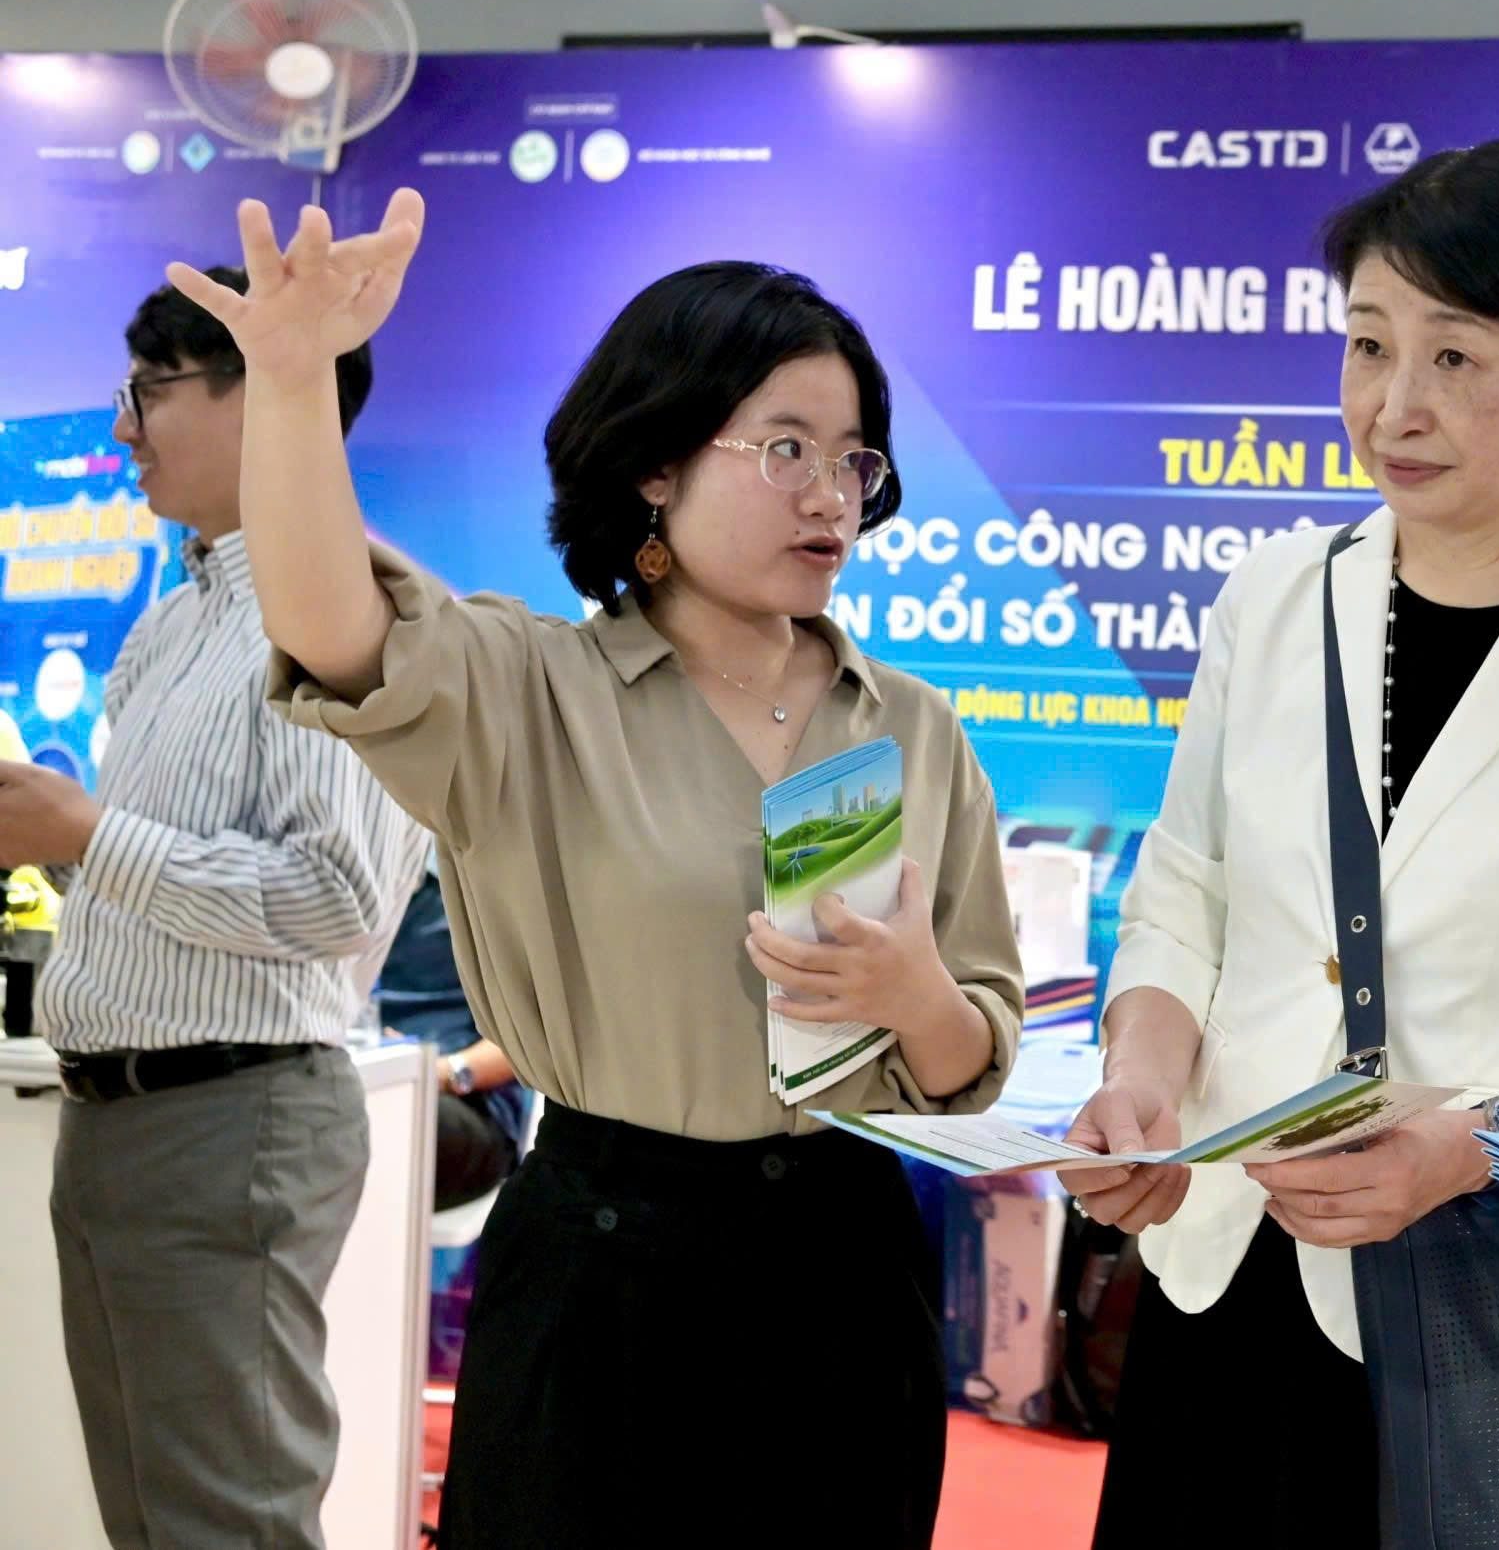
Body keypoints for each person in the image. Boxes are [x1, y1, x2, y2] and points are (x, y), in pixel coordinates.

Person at [168, 191, 1027, 1550]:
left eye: (853, 458)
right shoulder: (530, 688)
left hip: (848, 1271)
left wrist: (916, 996)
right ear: (655, 466)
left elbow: (973, 1049)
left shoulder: (912, 727)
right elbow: (329, 618)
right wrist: (290, 383)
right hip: (606, 1266)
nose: (829, 494)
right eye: (785, 448)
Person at [1060, 140, 1499, 1547]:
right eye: (1368, 345)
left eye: (1454, 356)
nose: (1394, 405)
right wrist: (1140, 1084)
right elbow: (1184, 895)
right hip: (1230, 1259)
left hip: (1480, 1292)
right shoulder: (1275, 595)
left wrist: (1470, 1145)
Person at [1, 268, 427, 1550]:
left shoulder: (337, 611)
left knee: (225, 1524)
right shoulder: (178, 620)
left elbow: (333, 898)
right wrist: (60, 847)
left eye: (150, 391)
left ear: (268, 393)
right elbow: (171, 880)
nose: (122, 427)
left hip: (228, 1118)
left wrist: (87, 834)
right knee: (153, 1519)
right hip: (122, 1117)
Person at [371, 857, 527, 1210]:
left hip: (464, 1102)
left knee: (376, 1121)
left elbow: (529, 1040)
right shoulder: (349, 897)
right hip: (363, 1079)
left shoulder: (478, 894)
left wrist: (439, 1072)